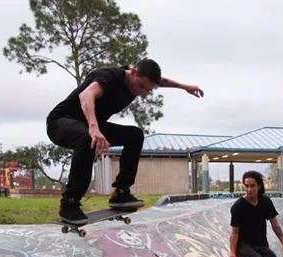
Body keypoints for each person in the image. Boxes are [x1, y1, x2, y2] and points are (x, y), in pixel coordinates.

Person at [46, 58, 204, 224]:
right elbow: (86, 95)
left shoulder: (140, 80)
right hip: (61, 122)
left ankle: (121, 192)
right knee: (87, 139)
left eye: (147, 89)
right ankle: (69, 204)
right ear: (133, 72)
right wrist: (93, 128)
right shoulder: (109, 77)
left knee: (135, 136)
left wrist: (184, 86)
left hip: (89, 125)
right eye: (141, 86)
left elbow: (161, 81)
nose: (141, 91)